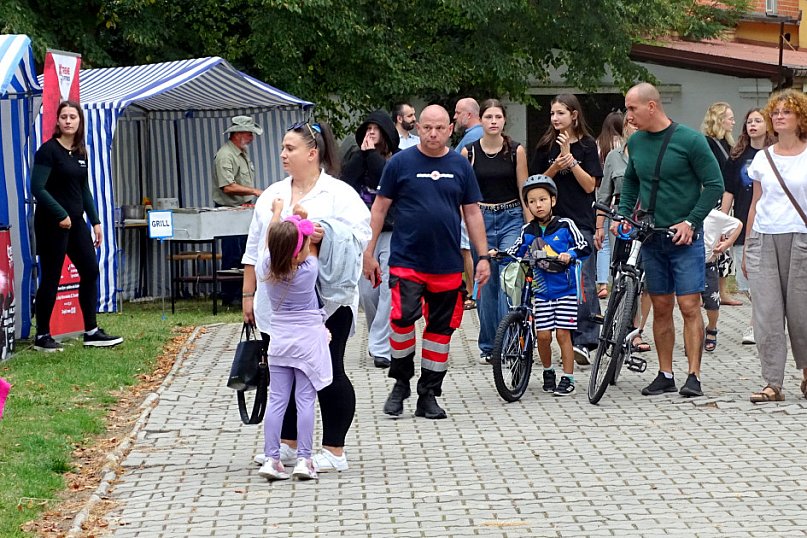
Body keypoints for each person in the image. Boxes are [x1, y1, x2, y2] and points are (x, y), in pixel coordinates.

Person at [244, 120, 370, 472]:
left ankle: (334, 450)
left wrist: (323, 234)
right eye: (283, 148)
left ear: (312, 153)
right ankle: (287, 445)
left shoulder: (338, 193)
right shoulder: (272, 195)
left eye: (290, 148)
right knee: (280, 374)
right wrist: (247, 295)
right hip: (279, 305)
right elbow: (254, 248)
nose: (283, 154)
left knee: (326, 372)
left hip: (328, 305)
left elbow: (360, 235)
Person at [365, 105, 491, 419]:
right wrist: (368, 253)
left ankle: (429, 394)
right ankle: (401, 382)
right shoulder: (399, 163)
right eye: (426, 128)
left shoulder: (460, 166)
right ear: (418, 128)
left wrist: (483, 256)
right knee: (402, 321)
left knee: (440, 330)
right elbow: (379, 209)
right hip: (407, 260)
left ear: (450, 129)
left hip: (447, 265)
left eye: (439, 128)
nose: (432, 134)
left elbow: (472, 213)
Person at [618, 82, 723, 398]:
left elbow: (715, 185)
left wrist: (691, 221)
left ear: (651, 106)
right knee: (661, 307)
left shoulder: (690, 140)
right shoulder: (635, 143)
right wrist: (625, 213)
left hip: (685, 238)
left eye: (632, 108)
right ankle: (665, 374)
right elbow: (631, 180)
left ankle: (694, 376)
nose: (629, 115)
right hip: (653, 237)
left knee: (689, 305)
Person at [30, 100, 123, 352]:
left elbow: (84, 188)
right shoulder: (47, 151)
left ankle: (91, 331)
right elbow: (36, 187)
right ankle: (42, 336)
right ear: (57, 121)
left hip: (77, 223)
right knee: (50, 278)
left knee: (91, 270)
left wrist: (96, 222)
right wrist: (60, 213)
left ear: (80, 122)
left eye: (73, 117)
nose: (68, 121)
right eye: (64, 117)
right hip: (52, 223)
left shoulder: (81, 152)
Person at [257, 204, 331, 481]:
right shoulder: (308, 268)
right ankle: (304, 459)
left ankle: (272, 458)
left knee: (277, 401)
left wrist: (278, 212)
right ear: (299, 251)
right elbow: (308, 242)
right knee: (305, 401)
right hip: (307, 343)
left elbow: (271, 238)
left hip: (280, 342)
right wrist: (305, 219)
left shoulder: (267, 265)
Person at [529, 93, 603, 366]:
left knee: (582, 281)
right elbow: (535, 184)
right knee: (550, 281)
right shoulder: (545, 145)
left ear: (574, 115)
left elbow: (589, 186)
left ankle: (584, 340)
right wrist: (555, 165)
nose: (555, 118)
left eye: (560, 113)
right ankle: (555, 338)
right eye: (552, 114)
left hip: (580, 222)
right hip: (551, 225)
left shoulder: (586, 145)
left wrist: (570, 161)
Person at [500, 175, 590, 395]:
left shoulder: (565, 225)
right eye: (532, 201)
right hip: (540, 293)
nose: (537, 205)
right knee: (543, 335)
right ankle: (548, 371)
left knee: (562, 334)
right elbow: (516, 250)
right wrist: (499, 254)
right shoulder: (527, 230)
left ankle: (568, 378)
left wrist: (569, 254)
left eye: (542, 199)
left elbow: (583, 246)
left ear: (553, 200)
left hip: (565, 290)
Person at [743, 89, 807, 403]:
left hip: (802, 238)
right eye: (776, 112)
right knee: (766, 314)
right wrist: (748, 242)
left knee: (802, 313)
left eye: (787, 112)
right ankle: (773, 383)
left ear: (800, 118)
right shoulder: (762, 158)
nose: (779, 117)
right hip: (764, 237)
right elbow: (756, 201)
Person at [460, 99, 529, 364]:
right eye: (488, 116)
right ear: (481, 119)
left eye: (497, 117)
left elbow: (524, 189)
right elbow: (463, 194)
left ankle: (510, 341)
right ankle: (489, 344)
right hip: (481, 218)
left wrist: (530, 224)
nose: (493, 121)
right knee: (485, 283)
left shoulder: (515, 150)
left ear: (503, 121)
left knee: (508, 280)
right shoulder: (469, 153)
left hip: (511, 216)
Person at [341, 110, 400, 368]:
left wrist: (372, 155)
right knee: (367, 291)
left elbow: (387, 178)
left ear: (386, 134)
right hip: (363, 234)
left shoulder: (396, 160)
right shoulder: (358, 158)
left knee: (387, 287)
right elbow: (346, 181)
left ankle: (381, 346)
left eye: (376, 129)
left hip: (390, 231)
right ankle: (379, 335)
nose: (371, 133)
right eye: (367, 129)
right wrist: (364, 155)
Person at [595, 116, 652, 353]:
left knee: (644, 280)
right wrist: (599, 226)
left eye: (640, 125)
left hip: (648, 221)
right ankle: (615, 322)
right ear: (625, 129)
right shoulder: (613, 157)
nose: (635, 129)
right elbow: (604, 195)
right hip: (621, 222)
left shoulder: (654, 155)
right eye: (631, 125)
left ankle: (636, 331)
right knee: (621, 276)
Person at [721, 109, 776, 345]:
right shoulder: (737, 156)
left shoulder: (775, 152)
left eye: (758, 120)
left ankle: (757, 325)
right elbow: (729, 190)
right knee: (746, 281)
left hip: (771, 222)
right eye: (749, 121)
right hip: (743, 220)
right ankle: (766, 318)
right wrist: (723, 219)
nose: (753, 125)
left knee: (763, 278)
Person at [212, 115, 265, 306]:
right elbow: (227, 186)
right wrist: (255, 191)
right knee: (232, 253)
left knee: (245, 251)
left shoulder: (240, 153)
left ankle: (243, 294)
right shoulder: (225, 155)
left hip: (242, 210)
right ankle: (230, 296)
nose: (251, 137)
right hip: (228, 211)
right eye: (249, 133)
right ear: (238, 133)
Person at [701, 102, 740, 306]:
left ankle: (722, 290)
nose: (733, 121)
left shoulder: (727, 144)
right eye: (729, 117)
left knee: (724, 246)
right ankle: (710, 290)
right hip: (714, 199)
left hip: (726, 198)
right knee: (713, 243)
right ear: (719, 120)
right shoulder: (708, 143)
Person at [700, 209, 742, 352]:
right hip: (687, 264)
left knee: (712, 303)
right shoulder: (681, 211)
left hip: (708, 264)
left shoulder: (714, 215)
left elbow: (737, 224)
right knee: (690, 303)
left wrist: (727, 243)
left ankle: (711, 327)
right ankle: (695, 334)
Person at [595, 111, 625, 299]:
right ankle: (619, 279)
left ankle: (602, 283)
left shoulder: (598, 143)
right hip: (618, 198)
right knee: (618, 242)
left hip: (601, 197)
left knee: (602, 242)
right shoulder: (622, 144)